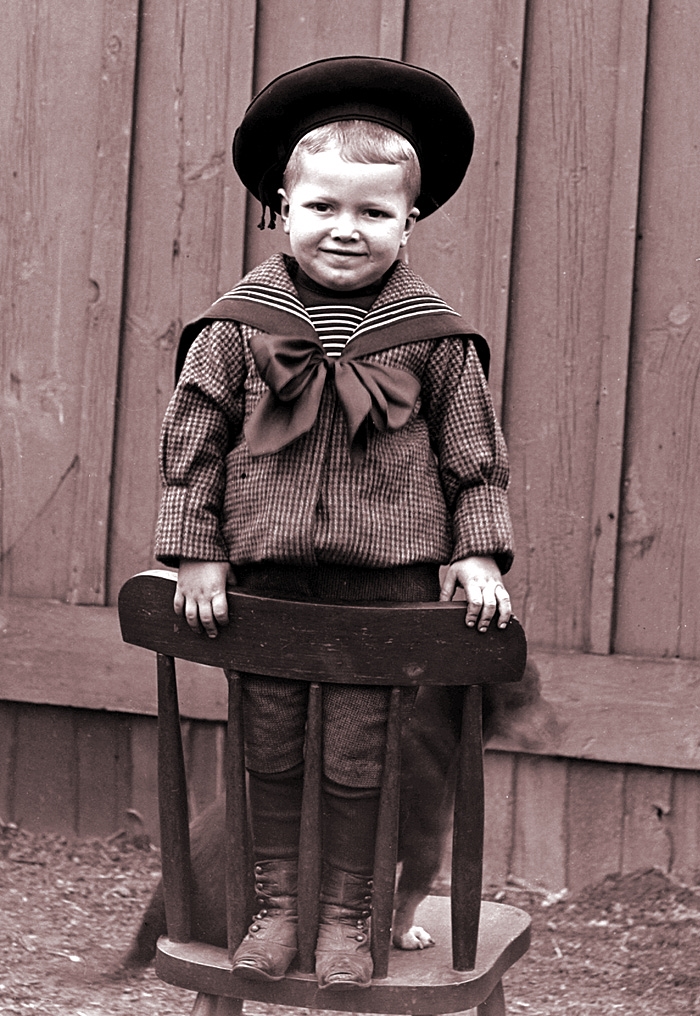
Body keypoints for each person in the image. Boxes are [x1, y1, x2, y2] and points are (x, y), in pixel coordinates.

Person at [155, 55, 514, 991]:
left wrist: (477, 551)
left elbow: (473, 456)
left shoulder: (434, 339)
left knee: (362, 749)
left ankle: (350, 916)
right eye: (323, 208)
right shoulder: (237, 328)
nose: (345, 230)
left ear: (411, 220)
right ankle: (276, 906)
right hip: (264, 578)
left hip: (383, 584)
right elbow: (190, 447)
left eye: (374, 213)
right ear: (281, 205)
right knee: (267, 741)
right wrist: (195, 553)